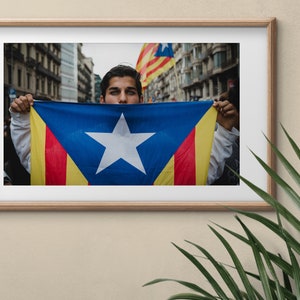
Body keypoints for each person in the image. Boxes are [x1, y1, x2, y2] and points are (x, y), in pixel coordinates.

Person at [9, 65, 239, 185]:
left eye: (130, 92)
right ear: (102, 99)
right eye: (114, 92)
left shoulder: (164, 142)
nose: (122, 99)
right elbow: (39, 164)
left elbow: (201, 173)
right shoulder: (77, 139)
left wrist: (226, 131)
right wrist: (21, 120)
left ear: (140, 98)